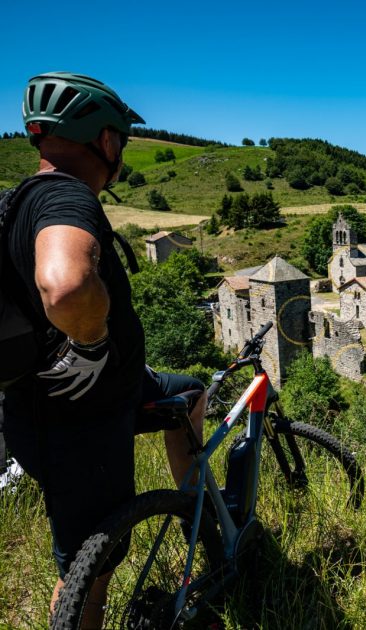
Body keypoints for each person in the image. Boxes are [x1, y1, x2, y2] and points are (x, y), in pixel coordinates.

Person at [2, 72, 207, 627]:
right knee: (90, 574)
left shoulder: (14, 202)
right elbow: (65, 285)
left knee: (190, 394)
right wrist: (90, 343)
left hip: (66, 403)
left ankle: (196, 513)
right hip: (79, 423)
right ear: (106, 140)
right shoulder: (68, 195)